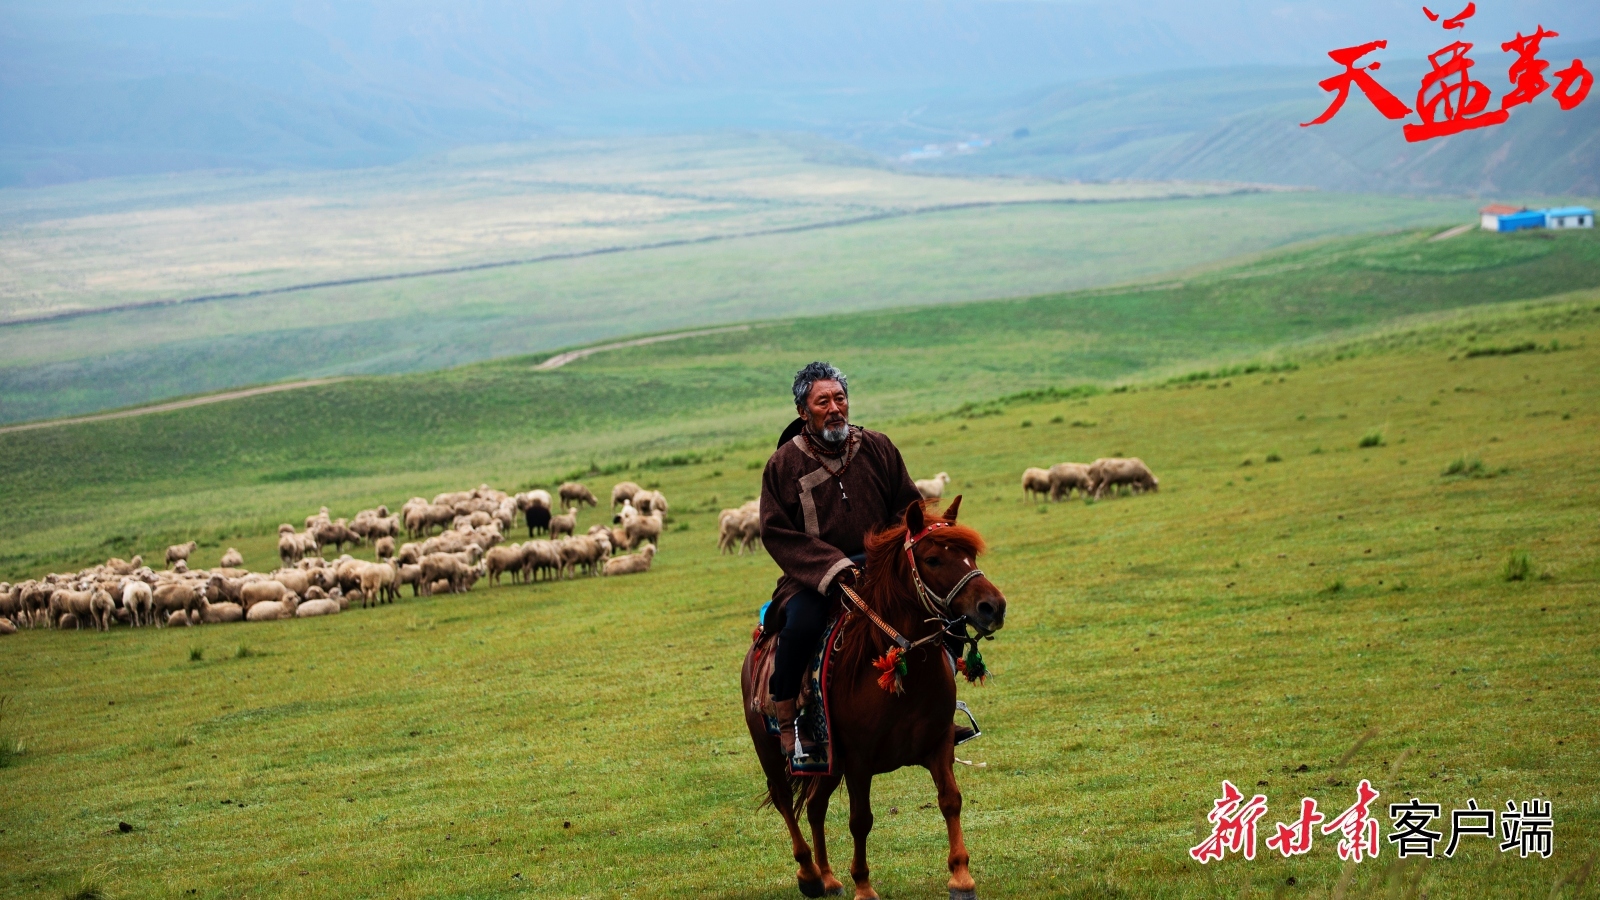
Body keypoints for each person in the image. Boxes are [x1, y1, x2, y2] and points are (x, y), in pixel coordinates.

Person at [759, 361, 924, 765]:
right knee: (801, 625)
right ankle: (789, 721)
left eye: (840, 398)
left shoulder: (878, 447)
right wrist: (831, 568)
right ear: (803, 411)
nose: (834, 408)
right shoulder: (784, 464)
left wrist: (892, 555)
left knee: (932, 607)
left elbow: (908, 508)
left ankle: (935, 710)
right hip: (812, 578)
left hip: (878, 566)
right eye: (823, 402)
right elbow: (776, 531)